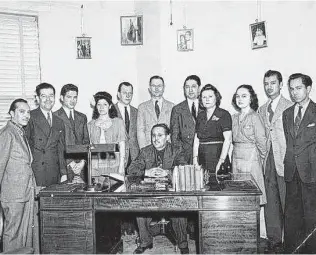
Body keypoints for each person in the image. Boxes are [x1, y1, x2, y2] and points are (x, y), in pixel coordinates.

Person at [128, 124, 189, 254]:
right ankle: (145, 241)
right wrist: (146, 172)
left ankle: (182, 243)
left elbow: (183, 168)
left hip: (171, 192)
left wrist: (167, 172)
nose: (156, 139)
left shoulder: (177, 150)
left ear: (167, 137)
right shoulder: (145, 151)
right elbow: (131, 169)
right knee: (139, 207)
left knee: (180, 207)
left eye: (160, 135)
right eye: (153, 135)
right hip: (150, 192)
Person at [258, 70, 293, 251]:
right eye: (266, 83)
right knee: (270, 202)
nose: (269, 87)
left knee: (287, 201)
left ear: (281, 85)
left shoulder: (290, 106)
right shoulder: (262, 109)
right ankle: (274, 241)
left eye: (273, 83)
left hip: (285, 160)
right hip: (267, 160)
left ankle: (290, 240)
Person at [282, 73, 316, 253]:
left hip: (311, 172)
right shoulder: (287, 114)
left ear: (308, 89)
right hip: (291, 171)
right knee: (292, 217)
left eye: (298, 88)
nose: (294, 93)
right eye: (292, 89)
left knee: (311, 217)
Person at [231, 84, 267, 238]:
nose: (240, 99)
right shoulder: (233, 118)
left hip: (252, 160)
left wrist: (261, 164)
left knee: (254, 199)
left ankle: (258, 236)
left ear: (251, 98)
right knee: (239, 197)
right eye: (238, 96)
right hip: (236, 159)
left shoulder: (255, 117)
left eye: (244, 96)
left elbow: (262, 144)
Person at [0, 99, 35, 252]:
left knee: (23, 234)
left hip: (25, 192)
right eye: (22, 111)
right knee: (12, 233)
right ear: (11, 113)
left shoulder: (19, 132)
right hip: (13, 194)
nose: (26, 115)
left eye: (28, 112)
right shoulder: (7, 133)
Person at [26, 82, 68, 187]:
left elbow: (61, 149)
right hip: (36, 172)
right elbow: (25, 148)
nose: (48, 99)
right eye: (44, 96)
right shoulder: (30, 117)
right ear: (37, 98)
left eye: (51, 96)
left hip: (54, 172)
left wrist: (63, 173)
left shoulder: (59, 121)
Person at [193, 84, 232, 177]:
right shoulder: (200, 116)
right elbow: (196, 139)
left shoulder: (224, 114)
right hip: (202, 158)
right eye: (204, 97)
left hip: (218, 157)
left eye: (210, 96)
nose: (207, 99)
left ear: (216, 98)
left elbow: (228, 140)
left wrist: (221, 162)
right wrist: (195, 159)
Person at [88, 91, 126, 184]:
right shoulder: (90, 124)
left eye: (105, 104)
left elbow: (122, 146)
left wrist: (121, 167)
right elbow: (89, 147)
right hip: (96, 165)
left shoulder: (118, 122)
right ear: (96, 107)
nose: (101, 107)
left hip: (114, 164)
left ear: (110, 106)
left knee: (114, 191)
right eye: (99, 104)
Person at [54, 84, 90, 183]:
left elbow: (86, 142)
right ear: (61, 98)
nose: (72, 100)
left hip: (82, 168)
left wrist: (83, 162)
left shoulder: (82, 117)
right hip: (64, 168)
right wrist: (70, 163)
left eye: (75, 97)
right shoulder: (55, 117)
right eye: (69, 97)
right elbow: (57, 145)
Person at [171, 75, 201, 164]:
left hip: (204, 155)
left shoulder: (206, 106)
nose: (190, 90)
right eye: (187, 87)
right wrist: (181, 160)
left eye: (193, 87)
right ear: (184, 89)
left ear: (199, 88)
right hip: (186, 157)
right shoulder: (177, 109)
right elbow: (175, 138)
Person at [137, 75, 174, 149]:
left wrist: (172, 151)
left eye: (159, 86)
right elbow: (140, 132)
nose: (156, 88)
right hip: (149, 149)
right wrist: (145, 152)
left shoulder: (172, 107)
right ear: (149, 89)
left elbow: (174, 132)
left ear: (163, 88)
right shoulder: (142, 107)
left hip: (167, 150)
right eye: (153, 85)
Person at [115, 82, 139, 171]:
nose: (128, 96)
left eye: (130, 93)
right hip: (117, 157)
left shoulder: (137, 112)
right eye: (125, 93)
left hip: (134, 157)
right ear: (118, 94)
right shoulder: (110, 111)